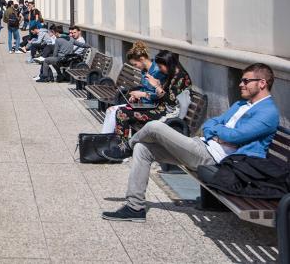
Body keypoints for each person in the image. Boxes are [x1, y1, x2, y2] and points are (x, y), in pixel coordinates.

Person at [102, 63, 280, 222]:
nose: (241, 84)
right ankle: (135, 207)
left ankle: (126, 148)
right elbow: (211, 122)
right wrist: (217, 133)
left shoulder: (267, 112)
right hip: (203, 146)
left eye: (246, 80)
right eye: (241, 80)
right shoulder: (241, 104)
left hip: (216, 159)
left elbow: (236, 136)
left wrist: (219, 132)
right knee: (143, 148)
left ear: (262, 83)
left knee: (154, 126)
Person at [101, 48, 187, 138]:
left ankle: (121, 146)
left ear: (168, 63)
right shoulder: (172, 76)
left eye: (161, 67)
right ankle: (119, 144)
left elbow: (171, 101)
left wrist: (156, 87)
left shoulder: (181, 77)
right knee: (120, 112)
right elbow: (164, 95)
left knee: (122, 113)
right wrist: (157, 86)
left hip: (164, 113)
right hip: (157, 108)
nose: (160, 70)